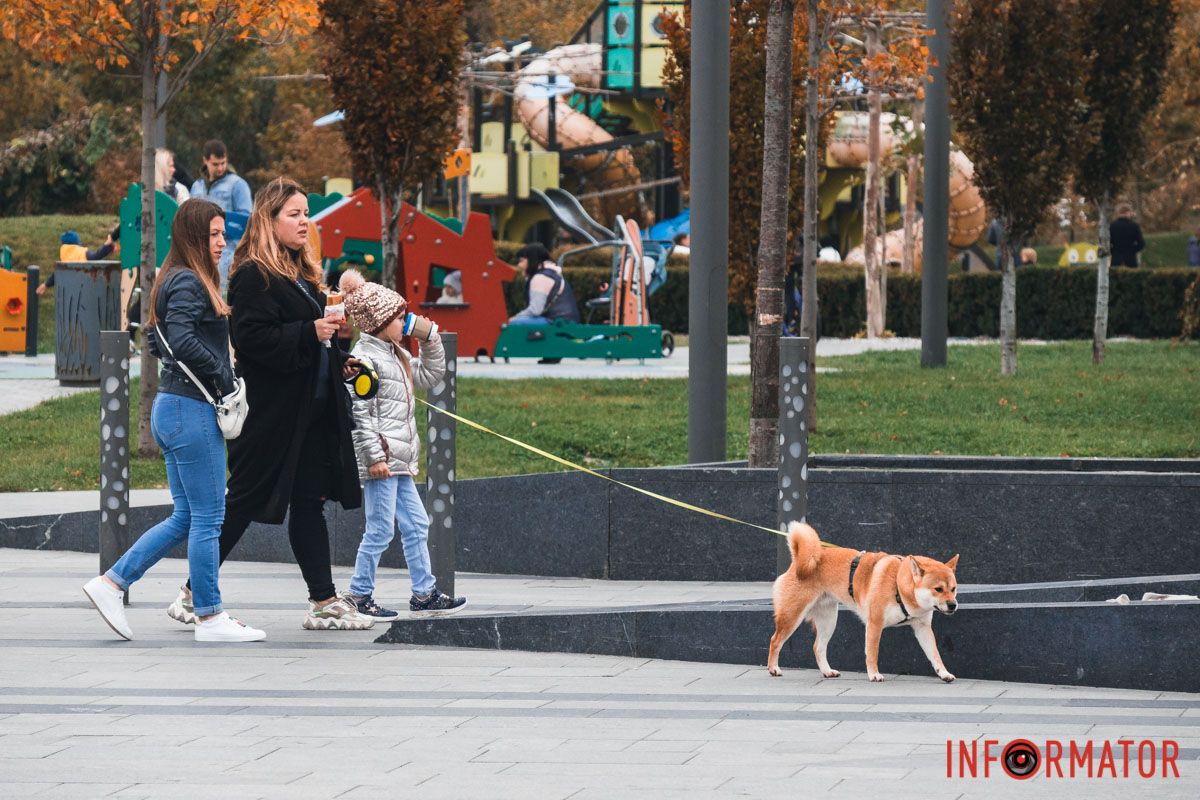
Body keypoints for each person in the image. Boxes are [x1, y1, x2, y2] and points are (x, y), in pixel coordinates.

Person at [169, 177, 373, 632]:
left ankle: (322, 600)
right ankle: (191, 592)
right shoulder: (252, 275)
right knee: (243, 501)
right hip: (272, 414)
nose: (305, 222)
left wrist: (339, 355)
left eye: (306, 213)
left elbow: (311, 337)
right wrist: (311, 332)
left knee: (308, 501)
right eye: (294, 214)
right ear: (269, 219)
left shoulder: (301, 273)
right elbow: (251, 338)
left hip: (312, 411)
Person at [82, 199, 266, 643]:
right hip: (189, 411)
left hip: (174, 407)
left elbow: (156, 341)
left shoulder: (178, 278)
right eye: (214, 235)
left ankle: (112, 583)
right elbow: (179, 339)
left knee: (187, 515)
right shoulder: (188, 281)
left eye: (224, 234)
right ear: (192, 237)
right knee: (208, 517)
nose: (223, 242)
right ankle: (209, 616)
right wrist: (224, 376)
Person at [337, 269, 467, 620]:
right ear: (378, 323)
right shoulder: (365, 359)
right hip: (382, 460)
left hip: (399, 460)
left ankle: (424, 593)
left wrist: (431, 339)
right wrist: (375, 457)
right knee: (379, 529)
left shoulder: (395, 353)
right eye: (397, 317)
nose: (404, 321)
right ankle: (359, 594)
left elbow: (428, 376)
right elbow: (361, 415)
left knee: (416, 524)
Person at [190, 139, 253, 291]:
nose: (220, 168)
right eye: (215, 164)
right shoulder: (197, 186)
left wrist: (221, 221)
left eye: (223, 163)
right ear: (205, 161)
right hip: (200, 251)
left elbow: (247, 221)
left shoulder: (237, 184)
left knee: (223, 294)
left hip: (228, 250)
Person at [508, 243, 579, 326]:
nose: (519, 265)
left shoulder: (540, 278)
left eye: (521, 261)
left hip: (557, 322)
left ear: (532, 260)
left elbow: (535, 310)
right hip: (564, 320)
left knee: (514, 324)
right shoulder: (550, 273)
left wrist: (512, 319)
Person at [39, 227, 120, 294]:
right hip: (86, 289)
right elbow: (96, 256)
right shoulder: (82, 253)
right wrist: (109, 247)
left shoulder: (64, 255)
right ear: (77, 242)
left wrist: (46, 284)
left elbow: (57, 273)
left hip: (71, 292)